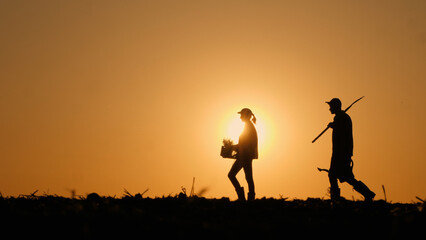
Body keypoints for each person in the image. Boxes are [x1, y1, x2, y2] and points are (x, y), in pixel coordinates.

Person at [326, 98, 375, 202]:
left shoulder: (342, 118)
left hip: (341, 153)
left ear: (336, 106)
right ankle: (367, 194)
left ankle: (335, 200)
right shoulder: (340, 118)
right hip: (339, 152)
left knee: (336, 175)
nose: (329, 108)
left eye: (331, 106)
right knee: (344, 176)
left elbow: (343, 134)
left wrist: (334, 125)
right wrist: (334, 125)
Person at [228, 108, 258, 201]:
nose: (240, 117)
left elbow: (244, 144)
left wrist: (232, 147)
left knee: (232, 175)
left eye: (241, 115)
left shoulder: (248, 127)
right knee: (248, 177)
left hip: (245, 156)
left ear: (246, 116)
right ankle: (249, 198)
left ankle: (243, 197)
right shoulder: (249, 126)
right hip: (245, 156)